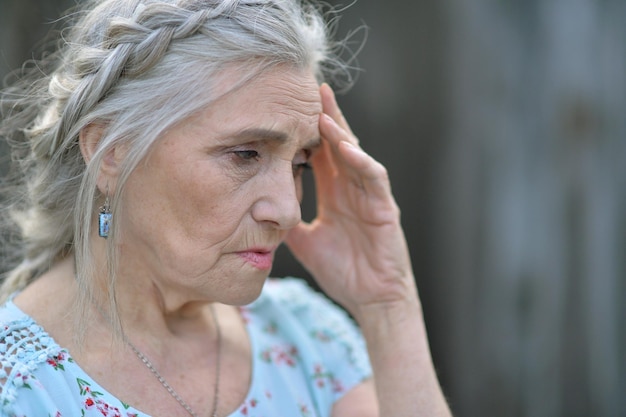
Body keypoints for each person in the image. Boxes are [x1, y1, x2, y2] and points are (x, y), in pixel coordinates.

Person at [0, 0, 452, 416]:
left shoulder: (308, 339)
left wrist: (388, 303)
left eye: (300, 164)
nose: (289, 211)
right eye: (246, 155)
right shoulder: (19, 388)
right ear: (111, 152)